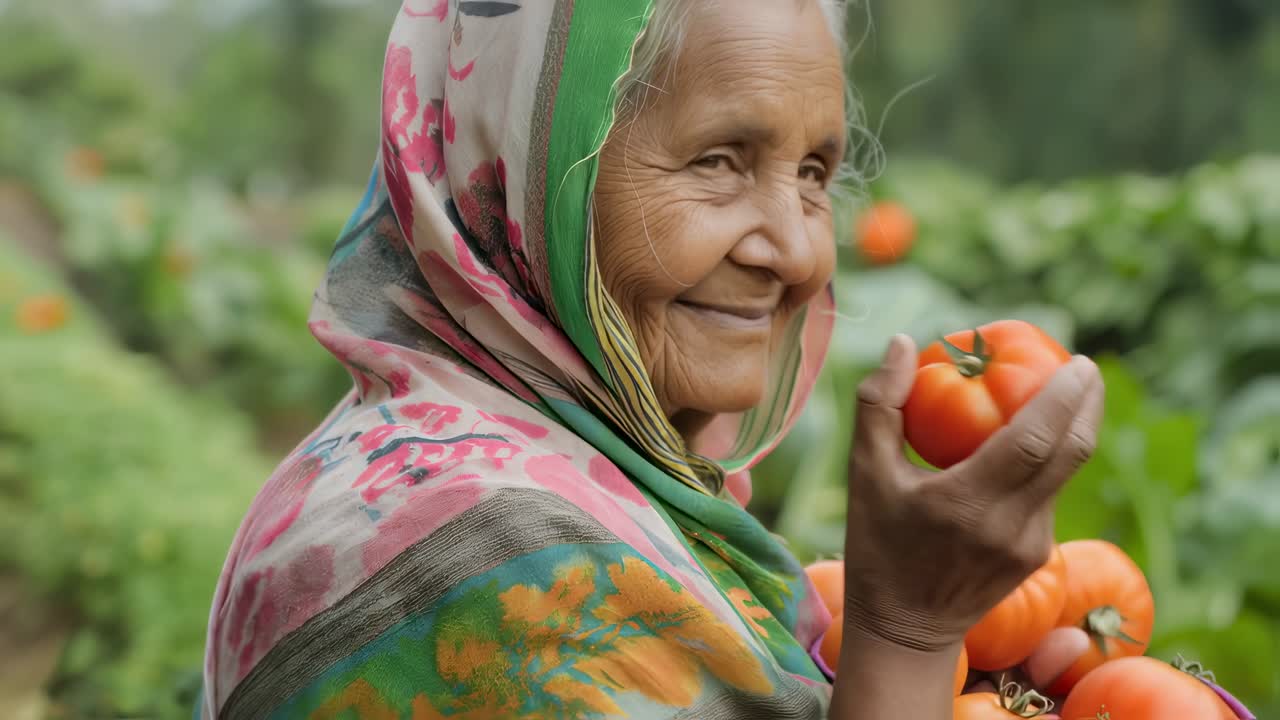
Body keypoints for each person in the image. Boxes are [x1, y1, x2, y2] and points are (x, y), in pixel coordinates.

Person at [198, 0, 1105, 717]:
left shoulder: (447, 463)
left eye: (815, 174)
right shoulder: (505, 561)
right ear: (520, 171)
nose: (795, 252)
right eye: (718, 161)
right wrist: (909, 629)